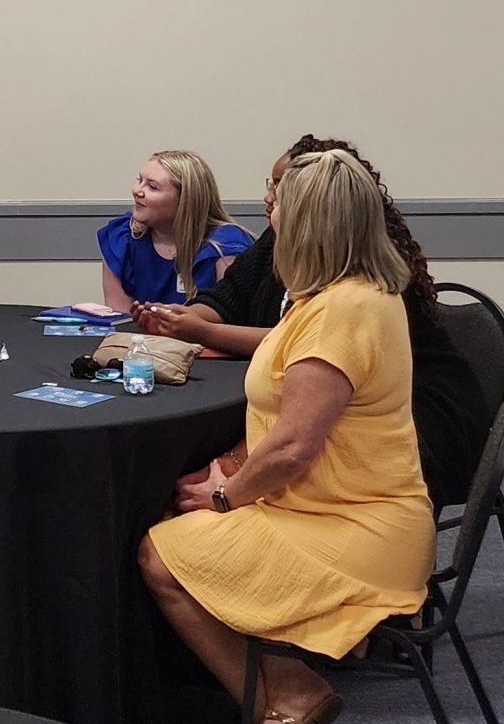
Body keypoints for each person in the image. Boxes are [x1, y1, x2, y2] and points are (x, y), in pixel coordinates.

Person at [139, 150, 435, 724]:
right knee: (176, 528)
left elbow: (294, 446)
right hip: (329, 506)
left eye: (279, 206)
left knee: (160, 557)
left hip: (356, 528)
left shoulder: (341, 311)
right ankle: (285, 695)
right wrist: (228, 471)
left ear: (307, 223)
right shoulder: (340, 295)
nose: (269, 211)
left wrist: (224, 495)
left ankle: (283, 701)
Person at [134, 135, 490, 511]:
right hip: (320, 424)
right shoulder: (279, 244)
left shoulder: (355, 287)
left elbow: (297, 348)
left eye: (281, 187)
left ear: (317, 199)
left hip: (408, 429)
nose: (270, 198)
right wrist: (184, 318)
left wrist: (227, 493)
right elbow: (229, 297)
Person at [97, 150, 252, 311]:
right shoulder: (121, 239)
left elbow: (232, 318)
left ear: (185, 200)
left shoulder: (225, 246)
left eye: (152, 187)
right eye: (140, 180)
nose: (137, 191)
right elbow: (121, 320)